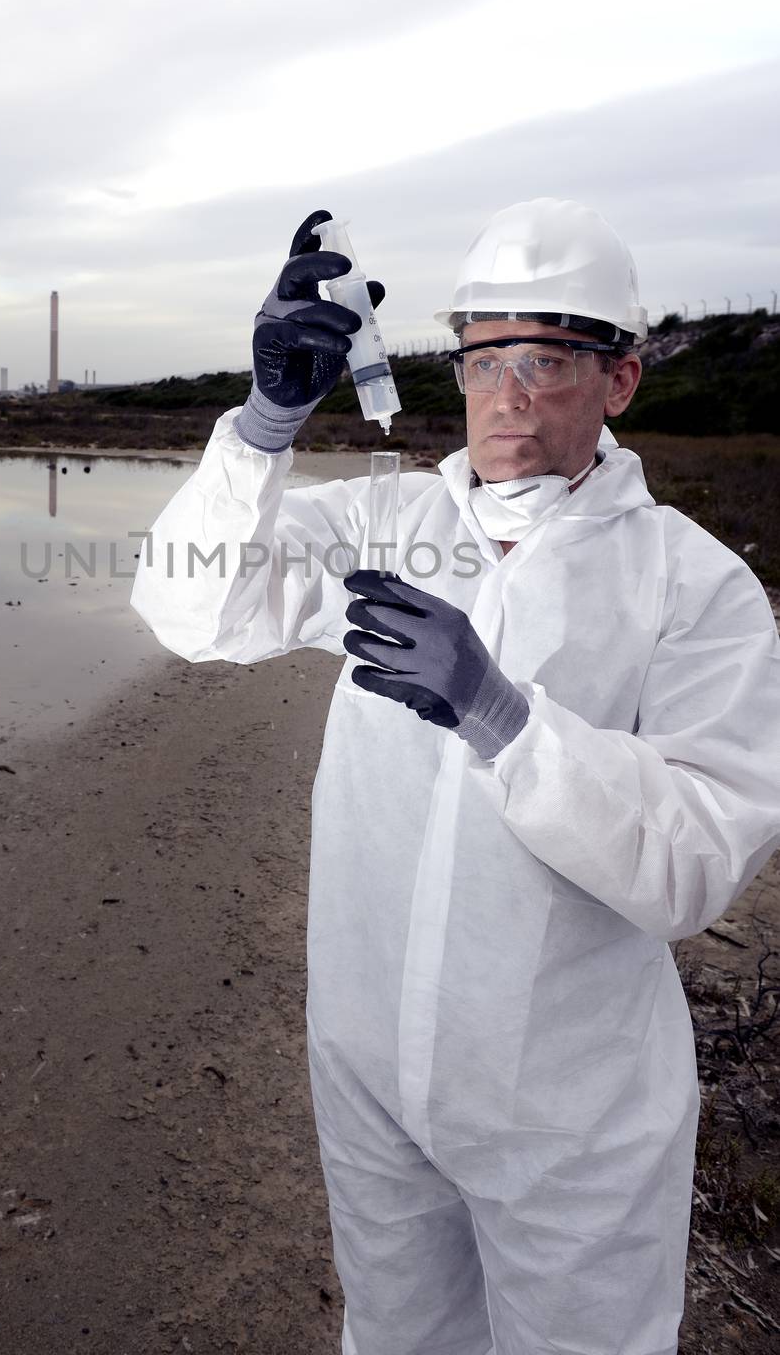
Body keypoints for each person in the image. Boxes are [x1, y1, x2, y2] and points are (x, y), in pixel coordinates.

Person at [130, 198, 780, 1355]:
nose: (508, 394)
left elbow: (689, 865)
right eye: (483, 358)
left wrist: (502, 715)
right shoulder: (389, 518)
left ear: (620, 379)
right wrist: (264, 425)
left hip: (570, 1118)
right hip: (372, 1078)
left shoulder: (695, 587)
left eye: (545, 359)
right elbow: (189, 607)